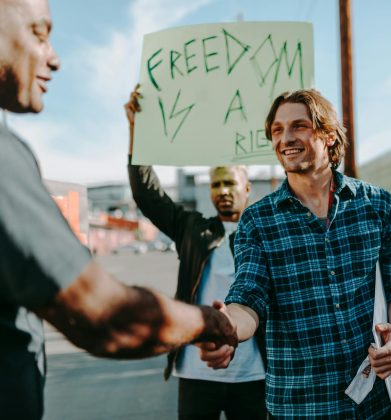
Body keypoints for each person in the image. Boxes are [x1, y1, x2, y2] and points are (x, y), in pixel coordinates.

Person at [0, 1, 236, 418]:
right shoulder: (4, 159)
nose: (54, 57)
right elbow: (108, 315)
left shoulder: (271, 225)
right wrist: (209, 323)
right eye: (39, 33)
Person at [200, 89, 391, 419]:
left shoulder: (377, 205)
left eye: (298, 126)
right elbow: (248, 296)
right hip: (300, 407)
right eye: (277, 130)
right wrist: (226, 327)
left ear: (329, 136)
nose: (285, 138)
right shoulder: (258, 221)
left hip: (377, 403)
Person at [124, 88, 266, 420]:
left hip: (255, 374)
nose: (223, 191)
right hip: (195, 372)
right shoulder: (192, 228)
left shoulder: (266, 232)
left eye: (230, 183)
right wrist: (136, 132)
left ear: (247, 188)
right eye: (216, 185)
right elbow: (148, 195)